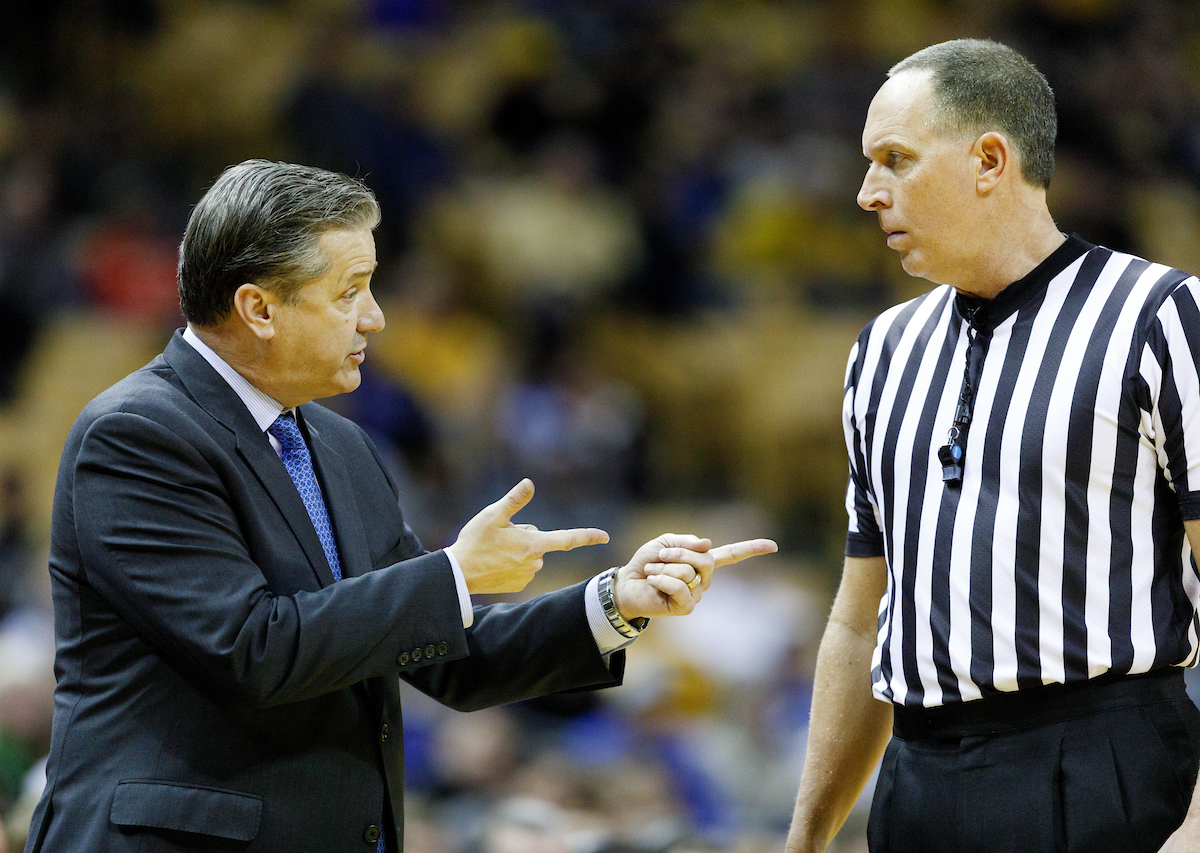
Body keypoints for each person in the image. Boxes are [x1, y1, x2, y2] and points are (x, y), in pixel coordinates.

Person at [23, 160, 777, 853]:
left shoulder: (343, 448)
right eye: (349, 291)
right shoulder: (137, 434)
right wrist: (453, 574)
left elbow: (444, 654)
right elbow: (251, 647)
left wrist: (615, 600)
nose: (376, 318)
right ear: (257, 307)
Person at [784, 39, 1200, 853]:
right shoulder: (882, 350)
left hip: (1102, 766)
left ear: (988, 159)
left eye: (895, 160)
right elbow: (859, 623)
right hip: (916, 779)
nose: (868, 193)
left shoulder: (1161, 316)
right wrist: (803, 839)